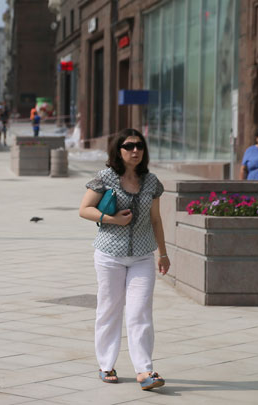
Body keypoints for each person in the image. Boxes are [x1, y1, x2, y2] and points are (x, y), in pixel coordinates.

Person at [78, 128, 169, 391]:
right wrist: (113, 220)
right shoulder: (105, 178)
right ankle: (106, 365)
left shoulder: (151, 181)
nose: (135, 151)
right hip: (109, 256)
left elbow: (156, 219)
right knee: (109, 310)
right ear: (119, 150)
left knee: (140, 312)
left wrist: (163, 254)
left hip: (142, 256)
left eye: (139, 146)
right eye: (129, 146)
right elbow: (84, 209)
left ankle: (145, 370)